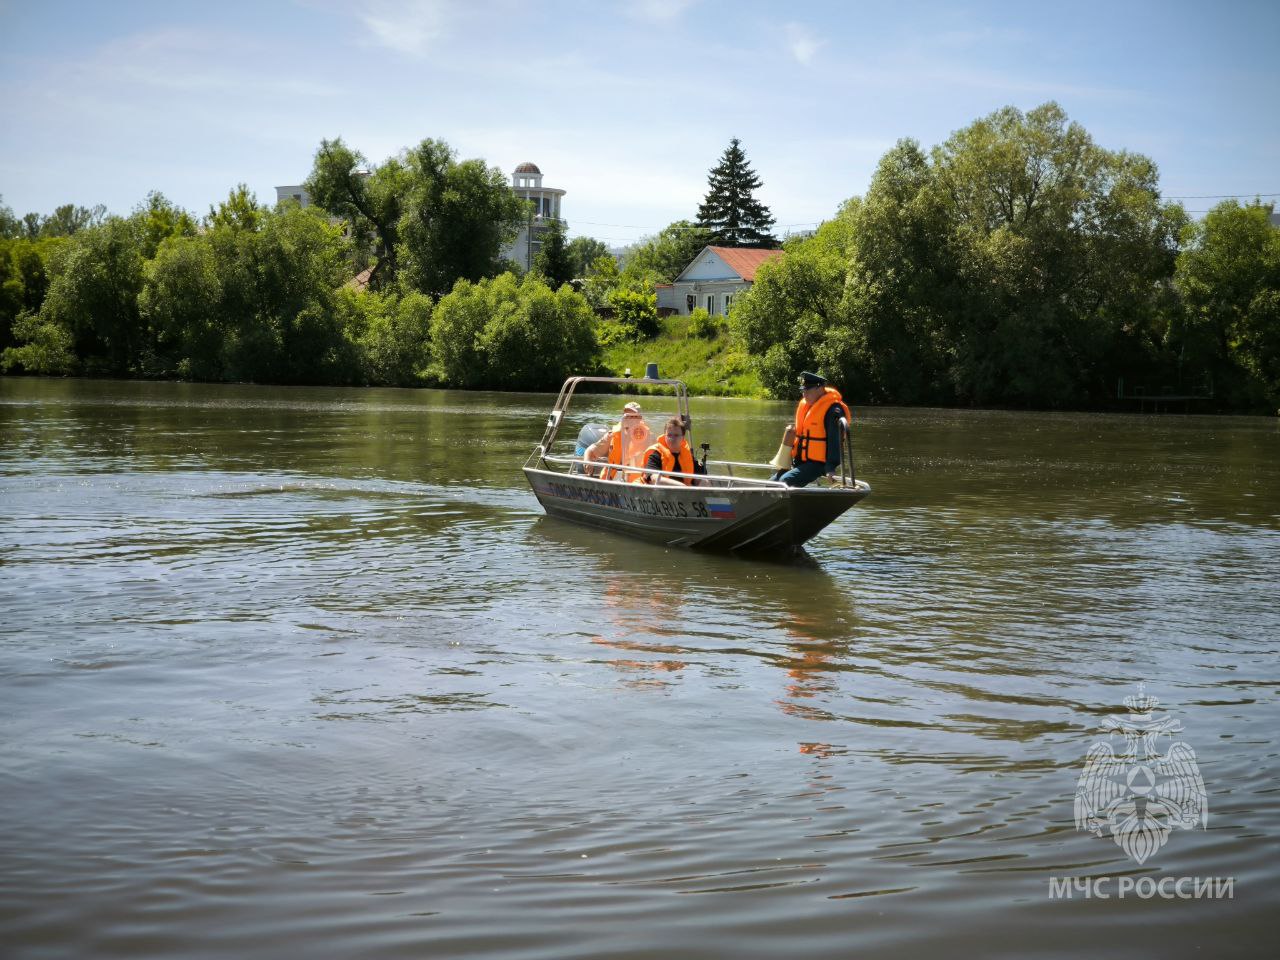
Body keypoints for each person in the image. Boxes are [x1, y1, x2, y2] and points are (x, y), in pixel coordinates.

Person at [771, 371, 851, 488]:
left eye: (807, 390)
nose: (804, 394)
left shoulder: (833, 410)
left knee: (785, 481)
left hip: (819, 464)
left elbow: (835, 440)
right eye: (803, 391)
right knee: (772, 483)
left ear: (820, 388)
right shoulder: (808, 405)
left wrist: (830, 468)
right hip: (801, 461)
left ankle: (787, 505)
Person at [585, 401, 652, 481]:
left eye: (633, 416)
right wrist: (587, 462)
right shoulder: (613, 434)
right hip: (611, 480)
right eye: (626, 416)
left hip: (637, 482)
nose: (629, 419)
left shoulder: (648, 436)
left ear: (640, 419)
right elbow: (590, 451)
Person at [637, 416, 699, 486]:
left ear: (683, 438)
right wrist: (682, 487)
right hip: (657, 494)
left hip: (684, 494)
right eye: (669, 435)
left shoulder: (688, 456)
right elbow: (654, 478)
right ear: (664, 436)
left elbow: (701, 478)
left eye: (676, 435)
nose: (672, 439)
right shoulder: (655, 454)